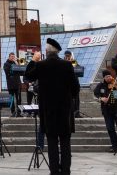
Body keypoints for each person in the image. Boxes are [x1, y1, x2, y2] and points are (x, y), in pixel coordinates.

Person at [24, 38, 79, 175]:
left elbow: (28, 76)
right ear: (57, 51)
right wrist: (67, 97)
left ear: (47, 51)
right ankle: (65, 170)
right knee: (65, 143)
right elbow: (76, 89)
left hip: (48, 111)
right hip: (65, 111)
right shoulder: (67, 65)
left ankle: (54, 171)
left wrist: (33, 60)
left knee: (52, 143)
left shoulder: (41, 65)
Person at [94, 70, 117, 154]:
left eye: (110, 76)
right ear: (104, 78)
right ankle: (115, 147)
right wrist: (101, 98)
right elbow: (95, 95)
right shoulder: (100, 85)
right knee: (110, 129)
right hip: (107, 111)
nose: (109, 78)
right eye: (107, 77)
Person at [3, 52, 22, 117]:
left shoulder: (16, 63)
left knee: (19, 99)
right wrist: (14, 65)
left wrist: (16, 63)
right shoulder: (6, 64)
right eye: (12, 57)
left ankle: (19, 113)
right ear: (9, 57)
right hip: (11, 85)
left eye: (14, 57)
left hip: (17, 84)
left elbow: (20, 70)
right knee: (11, 99)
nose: (13, 58)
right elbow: (7, 72)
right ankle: (13, 112)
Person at [64, 50, 82, 118]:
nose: (68, 57)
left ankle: (77, 112)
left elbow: (79, 69)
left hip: (74, 84)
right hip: (66, 84)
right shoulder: (62, 62)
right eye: (66, 56)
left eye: (69, 56)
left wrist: (73, 62)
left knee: (76, 98)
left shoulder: (73, 62)